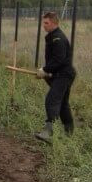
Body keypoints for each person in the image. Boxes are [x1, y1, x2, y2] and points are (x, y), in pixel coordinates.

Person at [35, 11, 76, 142]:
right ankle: (69, 133)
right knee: (63, 103)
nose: (44, 26)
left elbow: (58, 60)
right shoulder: (53, 36)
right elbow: (56, 61)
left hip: (64, 75)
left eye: (46, 23)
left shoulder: (58, 38)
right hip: (62, 74)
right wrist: (47, 72)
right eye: (44, 23)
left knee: (52, 99)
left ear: (54, 23)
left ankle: (48, 131)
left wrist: (45, 70)